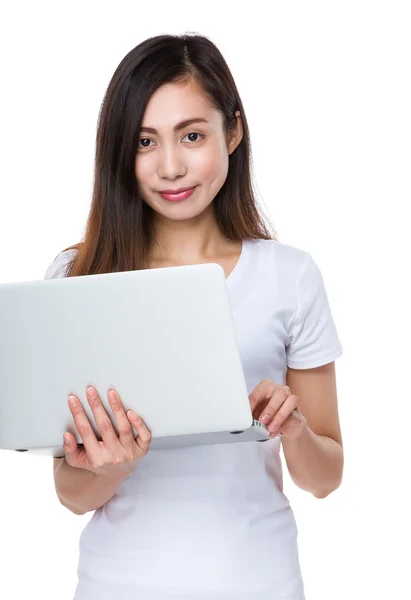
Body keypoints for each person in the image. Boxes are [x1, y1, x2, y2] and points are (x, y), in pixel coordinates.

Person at [45, 33, 344, 600]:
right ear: (120, 151)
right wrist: (113, 464)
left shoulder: (290, 277)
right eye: (144, 141)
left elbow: (326, 477)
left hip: (260, 583)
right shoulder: (78, 277)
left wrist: (294, 429)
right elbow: (70, 492)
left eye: (192, 135)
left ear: (232, 131)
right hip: (118, 586)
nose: (171, 166)